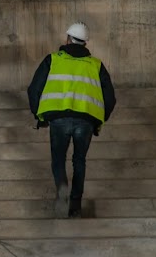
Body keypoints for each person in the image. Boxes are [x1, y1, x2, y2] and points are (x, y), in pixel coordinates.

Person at [27, 22, 116, 219]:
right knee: (79, 161)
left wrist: (39, 115)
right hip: (85, 122)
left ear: (67, 39)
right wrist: (99, 120)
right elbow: (110, 98)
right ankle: (75, 205)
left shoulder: (52, 60)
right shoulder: (96, 65)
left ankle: (62, 193)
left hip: (58, 120)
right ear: (85, 43)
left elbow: (34, 89)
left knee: (58, 160)